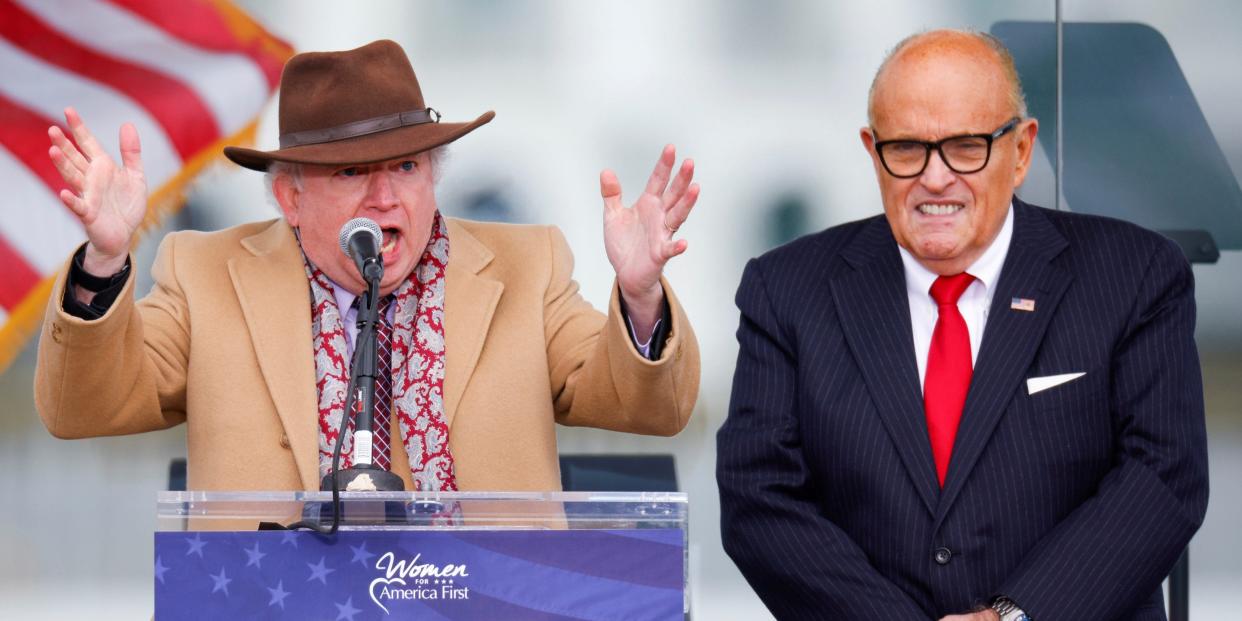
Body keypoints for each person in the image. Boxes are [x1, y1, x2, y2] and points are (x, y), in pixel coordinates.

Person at [34, 39, 700, 494]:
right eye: (353, 172)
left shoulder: (529, 267)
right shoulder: (204, 272)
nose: (387, 197)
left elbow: (650, 406)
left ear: (433, 175)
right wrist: (105, 258)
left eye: (407, 167)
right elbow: (79, 408)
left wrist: (641, 296)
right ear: (291, 196)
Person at [717, 29, 1207, 621]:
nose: (935, 178)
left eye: (966, 147)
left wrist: (1014, 615)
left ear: (1021, 151)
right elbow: (758, 497)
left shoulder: (1133, 275)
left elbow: (1161, 477)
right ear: (873, 151)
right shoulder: (786, 290)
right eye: (906, 149)